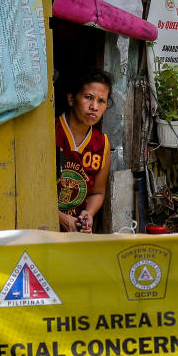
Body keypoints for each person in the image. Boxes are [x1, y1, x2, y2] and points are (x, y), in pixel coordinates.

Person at [56, 69, 112, 233]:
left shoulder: (102, 144)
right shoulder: (50, 132)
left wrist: (89, 213)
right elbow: (32, 190)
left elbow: (98, 193)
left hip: (76, 229)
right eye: (88, 97)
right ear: (72, 98)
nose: (94, 106)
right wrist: (61, 217)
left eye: (101, 101)